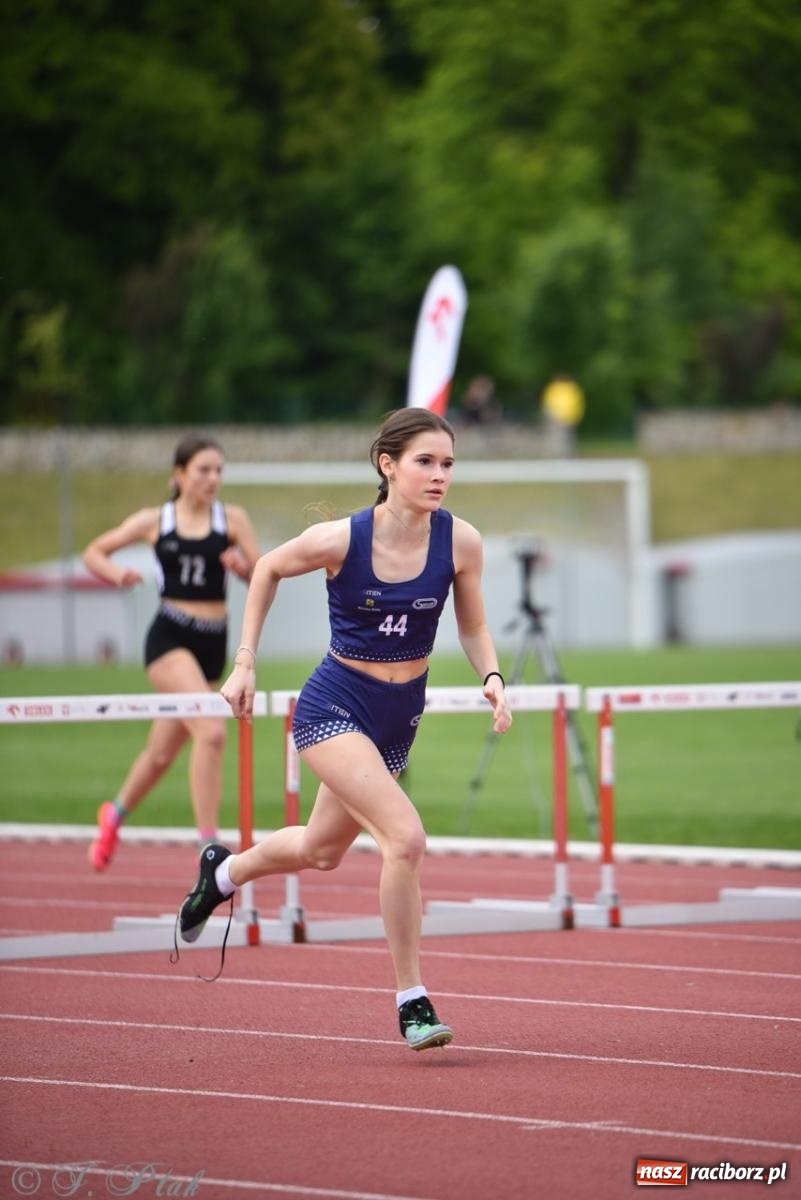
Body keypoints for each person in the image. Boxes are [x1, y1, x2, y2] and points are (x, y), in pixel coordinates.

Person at [176, 408, 512, 1051]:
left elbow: (472, 626)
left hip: (399, 715)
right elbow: (267, 569)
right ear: (388, 465)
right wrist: (244, 662)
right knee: (405, 838)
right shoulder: (342, 539)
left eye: (447, 464)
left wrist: (491, 676)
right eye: (425, 462)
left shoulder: (461, 542)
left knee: (321, 851)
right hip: (335, 706)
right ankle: (412, 1001)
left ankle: (222, 874)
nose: (439, 475)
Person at [82, 434, 261, 871]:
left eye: (218, 470)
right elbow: (94, 552)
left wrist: (242, 569)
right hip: (170, 639)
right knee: (212, 732)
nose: (213, 478)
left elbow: (264, 574)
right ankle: (209, 846)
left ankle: (113, 817)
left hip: (213, 643)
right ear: (179, 474)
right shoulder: (155, 520)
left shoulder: (232, 519)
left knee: (161, 753)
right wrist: (115, 574)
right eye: (203, 470)